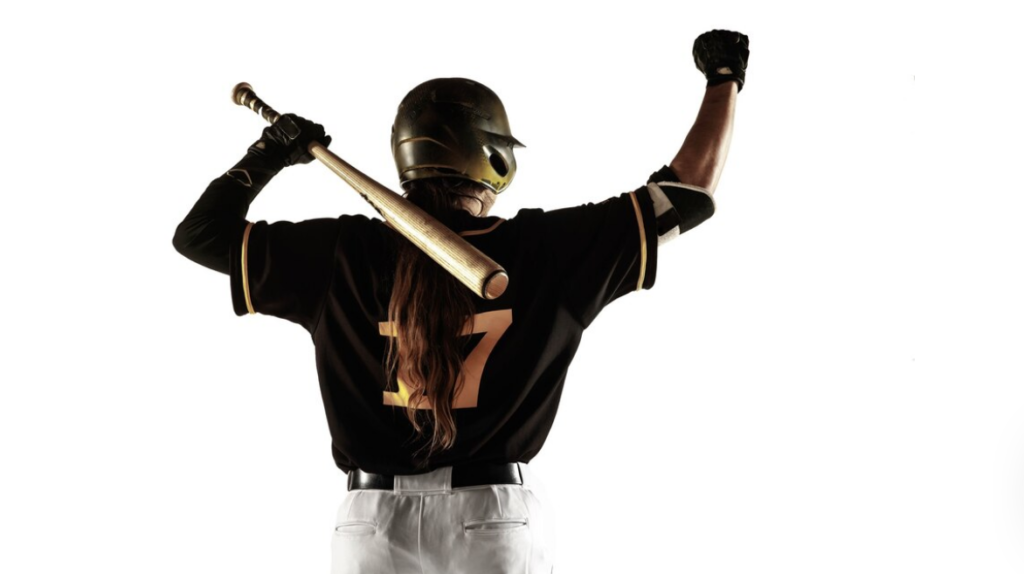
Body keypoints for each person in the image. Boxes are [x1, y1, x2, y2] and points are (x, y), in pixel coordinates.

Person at [172, 29, 748, 574]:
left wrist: (269, 152)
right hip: (491, 515)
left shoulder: (338, 251)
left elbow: (199, 236)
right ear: (495, 159)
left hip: (369, 522)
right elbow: (687, 194)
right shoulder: (549, 251)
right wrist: (723, 78)